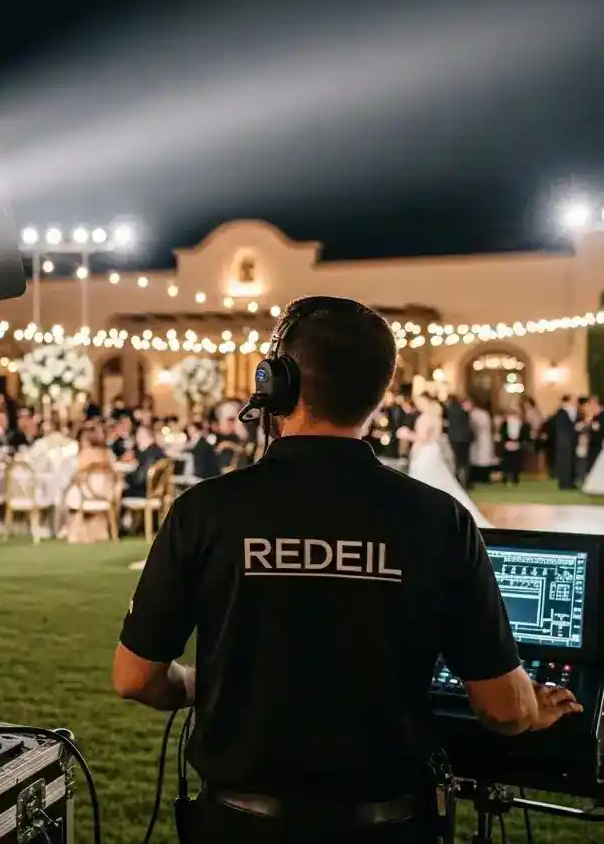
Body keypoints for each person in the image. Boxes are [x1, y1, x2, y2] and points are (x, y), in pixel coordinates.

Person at [112, 296, 581, 843]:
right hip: (389, 827)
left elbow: (135, 677)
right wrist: (533, 710)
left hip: (236, 825)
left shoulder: (205, 510)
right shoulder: (440, 519)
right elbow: (502, 707)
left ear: (276, 384)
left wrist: (196, 683)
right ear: (381, 391)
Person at [403, 392, 493, 528]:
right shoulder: (435, 416)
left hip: (426, 453)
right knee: (436, 482)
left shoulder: (426, 417)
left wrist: (407, 434)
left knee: (426, 482)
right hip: (431, 451)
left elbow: (423, 438)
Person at [497, 405, 530, 487]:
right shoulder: (504, 424)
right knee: (506, 462)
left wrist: (518, 442)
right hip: (507, 445)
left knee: (516, 462)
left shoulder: (522, 424)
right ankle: (505, 477)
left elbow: (524, 435)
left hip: (517, 445)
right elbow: (502, 434)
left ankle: (515, 478)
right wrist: (506, 442)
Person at [553, 395, 580, 490]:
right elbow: (562, 429)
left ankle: (571, 482)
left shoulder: (573, 411)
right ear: (568, 401)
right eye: (574, 400)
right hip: (564, 441)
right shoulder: (561, 412)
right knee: (565, 462)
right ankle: (564, 483)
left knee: (571, 461)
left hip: (571, 440)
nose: (576, 402)